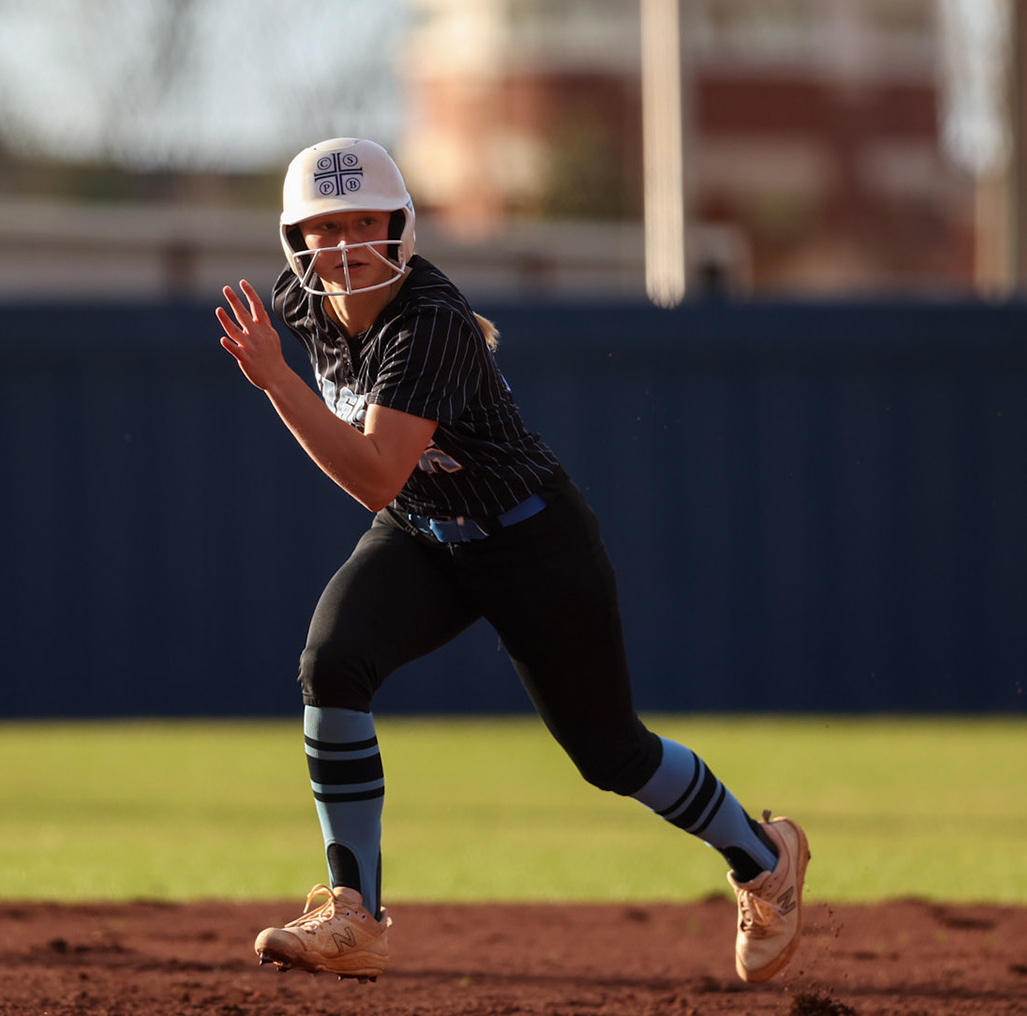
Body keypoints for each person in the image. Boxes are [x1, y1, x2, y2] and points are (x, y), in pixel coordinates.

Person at [215, 139, 808, 984]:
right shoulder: (301, 304)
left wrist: (278, 383)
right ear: (295, 240)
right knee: (332, 663)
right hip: (426, 530)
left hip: (530, 537)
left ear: (397, 225)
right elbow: (397, 490)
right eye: (324, 228)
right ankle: (355, 915)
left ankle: (763, 858)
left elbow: (376, 474)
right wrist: (284, 375)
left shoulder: (430, 323)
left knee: (612, 756)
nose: (343, 245)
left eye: (360, 222)